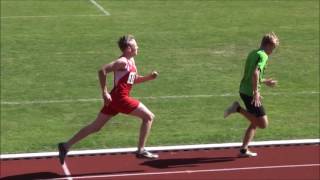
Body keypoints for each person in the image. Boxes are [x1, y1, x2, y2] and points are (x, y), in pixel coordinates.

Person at [58, 35, 159, 164]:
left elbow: (133, 79)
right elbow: (102, 70)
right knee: (148, 117)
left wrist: (149, 78)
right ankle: (140, 150)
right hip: (120, 98)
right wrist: (104, 92)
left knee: (95, 126)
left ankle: (65, 146)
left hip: (115, 98)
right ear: (128, 48)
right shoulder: (122, 61)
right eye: (135, 45)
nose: (138, 46)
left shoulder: (131, 61)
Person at [224, 32, 279, 157]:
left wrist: (265, 81)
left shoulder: (253, 53)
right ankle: (237, 108)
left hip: (244, 89)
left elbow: (251, 75)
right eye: (273, 47)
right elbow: (255, 73)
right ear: (268, 45)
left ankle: (243, 149)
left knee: (254, 121)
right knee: (263, 123)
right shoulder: (264, 56)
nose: (273, 50)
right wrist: (256, 93)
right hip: (250, 93)